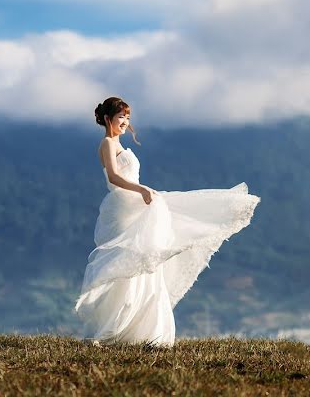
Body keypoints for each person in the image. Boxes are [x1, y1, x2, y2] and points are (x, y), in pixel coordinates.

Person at [75, 97, 259, 346]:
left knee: (147, 263)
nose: (125, 122)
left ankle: (141, 331)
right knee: (127, 265)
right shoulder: (107, 143)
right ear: (108, 119)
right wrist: (141, 190)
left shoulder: (119, 144)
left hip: (137, 206)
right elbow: (114, 177)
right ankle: (113, 329)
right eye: (121, 117)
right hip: (123, 208)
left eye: (127, 118)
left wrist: (144, 191)